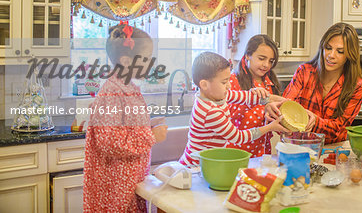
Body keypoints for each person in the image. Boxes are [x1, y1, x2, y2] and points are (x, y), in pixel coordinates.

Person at [83, 23, 168, 213]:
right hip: (116, 189)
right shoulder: (112, 91)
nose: (151, 64)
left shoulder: (129, 87)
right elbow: (111, 142)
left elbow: (125, 126)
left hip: (130, 182)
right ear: (127, 61)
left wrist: (147, 125)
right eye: (147, 59)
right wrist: (151, 136)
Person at [179, 51, 289, 166]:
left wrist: (279, 101)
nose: (229, 85)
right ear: (204, 85)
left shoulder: (216, 95)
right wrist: (270, 127)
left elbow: (246, 97)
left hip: (207, 163)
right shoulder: (210, 112)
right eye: (224, 82)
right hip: (194, 166)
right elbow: (238, 137)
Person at [266, 22, 362, 144]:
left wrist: (315, 121)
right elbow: (286, 108)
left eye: (340, 51)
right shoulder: (304, 72)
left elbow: (339, 128)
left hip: (333, 150)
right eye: (328, 48)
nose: (331, 55)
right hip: (298, 147)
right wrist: (273, 110)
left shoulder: (356, 86)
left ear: (350, 55)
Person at [227, 34, 284, 157]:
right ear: (248, 55)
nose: (266, 65)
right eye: (262, 58)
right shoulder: (232, 81)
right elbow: (229, 117)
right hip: (236, 154)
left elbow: (277, 119)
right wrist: (256, 101)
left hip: (263, 154)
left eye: (271, 61)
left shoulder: (270, 83)